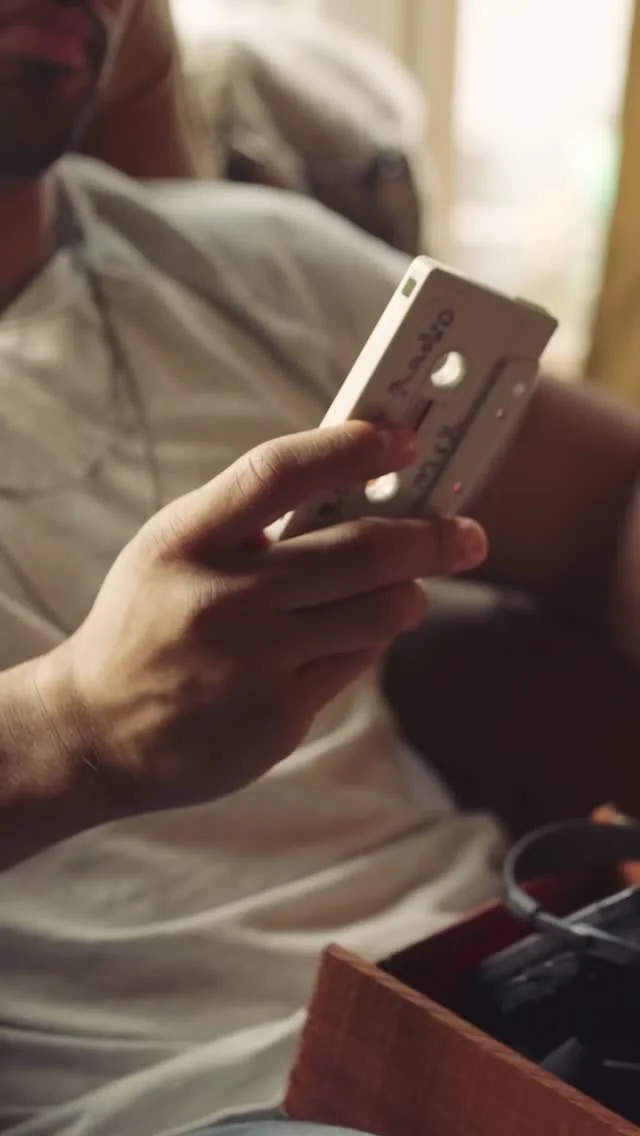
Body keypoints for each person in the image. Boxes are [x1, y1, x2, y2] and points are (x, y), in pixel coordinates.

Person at [0, 2, 639, 1135]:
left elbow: (614, 505)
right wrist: (73, 729)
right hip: (195, 1102)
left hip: (508, 989)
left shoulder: (250, 260)